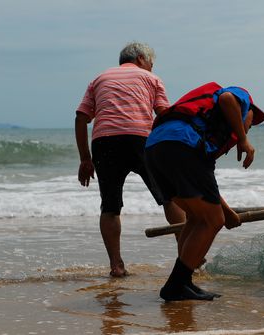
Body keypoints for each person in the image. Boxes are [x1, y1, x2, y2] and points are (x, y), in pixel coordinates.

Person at [145, 82, 264, 301]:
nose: (250, 126)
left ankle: (184, 282)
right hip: (181, 143)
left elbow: (205, 183)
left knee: (196, 217)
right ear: (247, 112)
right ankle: (175, 285)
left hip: (156, 148)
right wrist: (243, 138)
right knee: (212, 221)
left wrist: (227, 210)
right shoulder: (242, 99)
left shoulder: (208, 130)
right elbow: (227, 98)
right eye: (252, 122)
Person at [74, 41, 185, 277]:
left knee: (110, 206)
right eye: (151, 64)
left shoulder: (99, 79)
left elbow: (81, 117)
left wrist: (85, 159)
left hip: (104, 142)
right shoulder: (151, 79)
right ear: (141, 59)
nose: (152, 68)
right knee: (170, 197)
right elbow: (165, 114)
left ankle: (116, 265)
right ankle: (187, 256)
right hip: (140, 139)